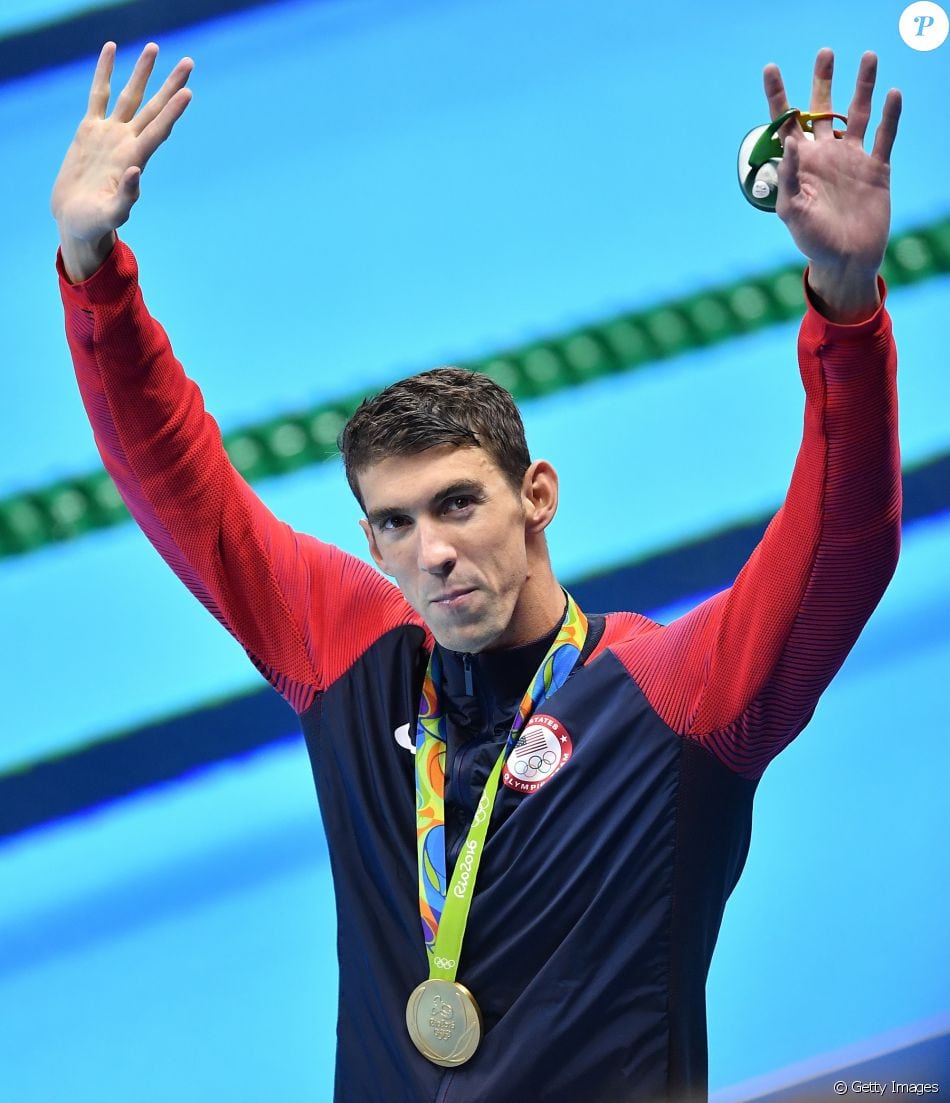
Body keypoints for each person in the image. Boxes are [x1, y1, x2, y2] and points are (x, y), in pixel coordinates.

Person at [52, 40, 902, 1103]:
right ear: (371, 542)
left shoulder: (673, 698)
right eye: (396, 523)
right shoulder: (354, 657)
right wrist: (91, 266)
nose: (433, 549)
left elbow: (842, 546)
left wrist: (844, 300)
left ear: (536, 494)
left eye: (458, 502)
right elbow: (183, 489)